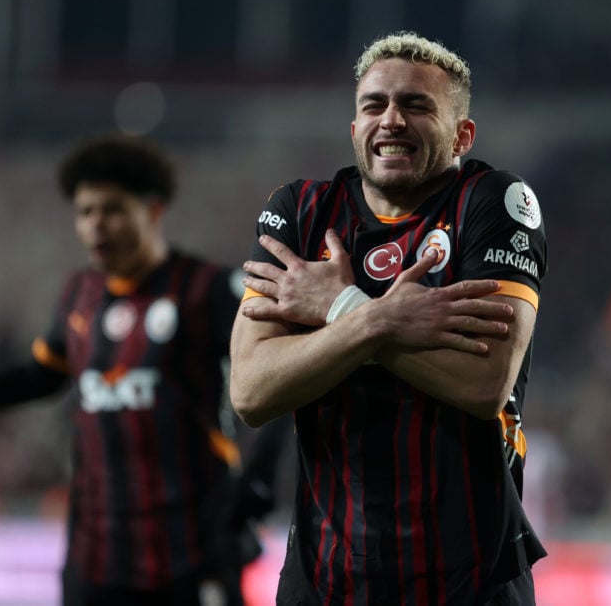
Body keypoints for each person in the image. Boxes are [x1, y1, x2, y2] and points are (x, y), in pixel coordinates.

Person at [0, 133, 288, 606]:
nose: (97, 226)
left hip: (192, 552)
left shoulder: (205, 290)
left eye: (112, 210)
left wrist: (258, 480)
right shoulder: (80, 296)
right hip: (97, 559)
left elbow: (283, 376)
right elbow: (34, 379)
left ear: (153, 209)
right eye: (85, 213)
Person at [230, 32, 548, 605]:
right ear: (355, 128)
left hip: (469, 577)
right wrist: (383, 321)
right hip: (324, 576)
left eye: (417, 105)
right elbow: (252, 390)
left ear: (462, 134)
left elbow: (483, 383)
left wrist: (340, 311)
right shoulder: (300, 213)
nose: (392, 119)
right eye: (374, 105)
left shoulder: (493, 204)